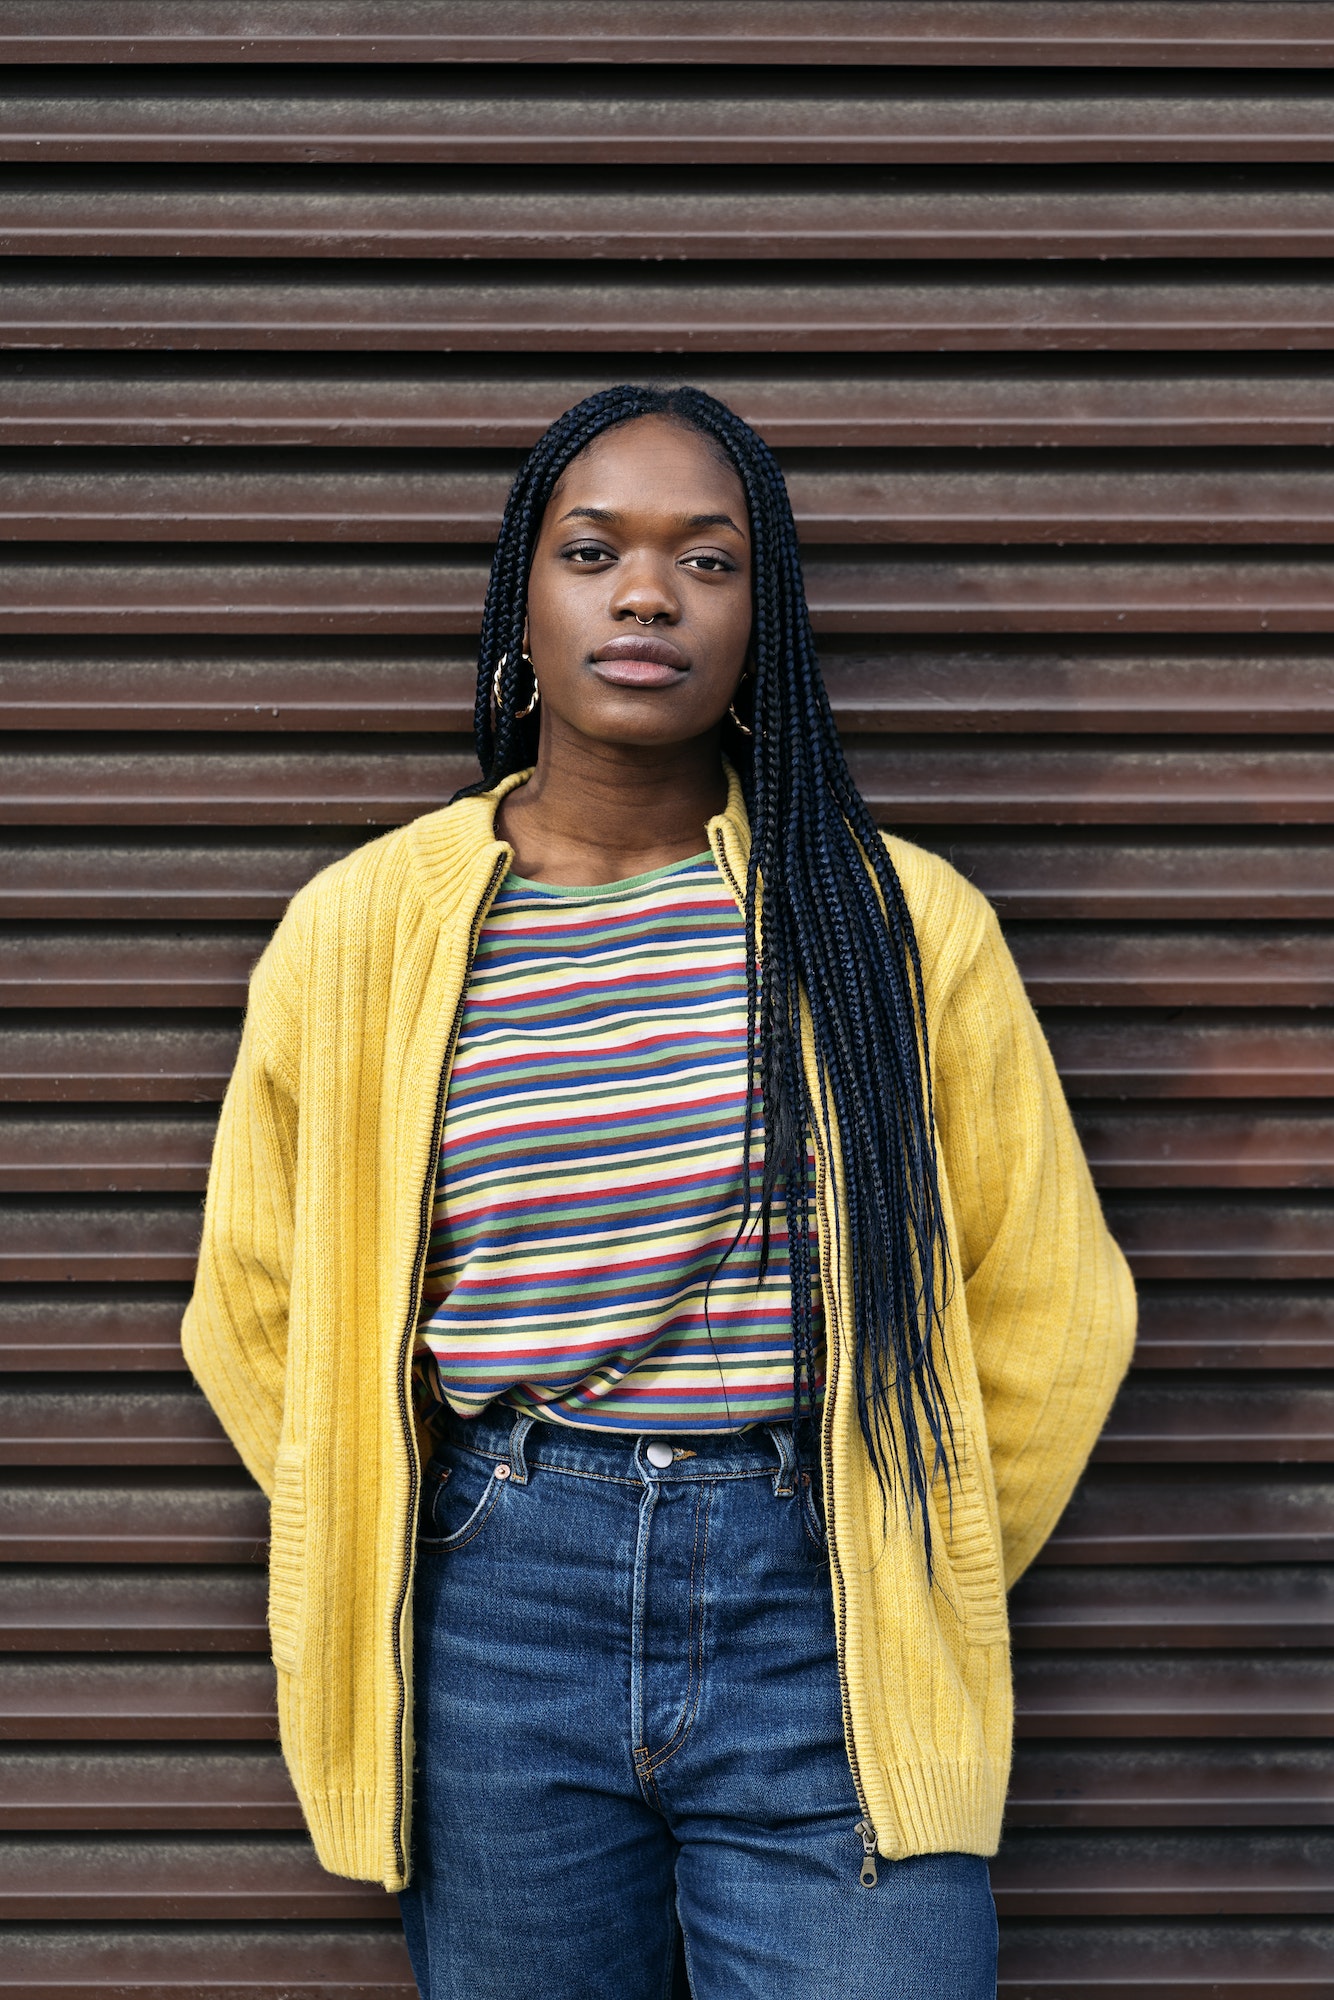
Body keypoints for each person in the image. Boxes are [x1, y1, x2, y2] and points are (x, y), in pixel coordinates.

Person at [183, 385, 1135, 2000]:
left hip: (826, 1600)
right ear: (522, 602)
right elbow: (254, 1304)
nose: (645, 594)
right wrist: (395, 1521)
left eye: (708, 560)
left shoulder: (895, 923)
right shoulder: (360, 932)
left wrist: (917, 1548)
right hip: (498, 1600)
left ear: (764, 622)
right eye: (591, 552)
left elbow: (1050, 1303)